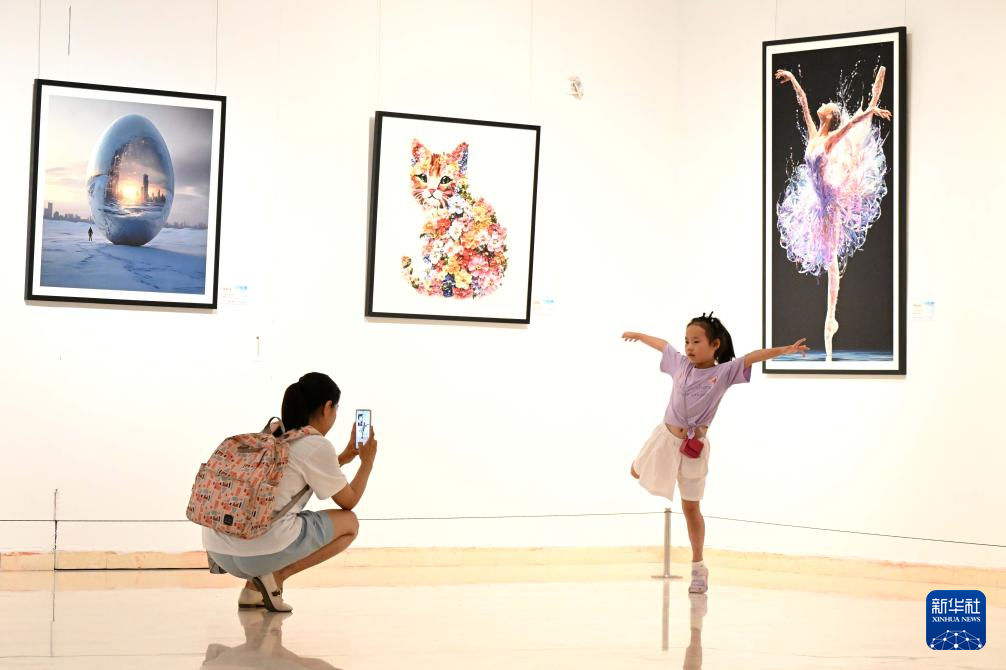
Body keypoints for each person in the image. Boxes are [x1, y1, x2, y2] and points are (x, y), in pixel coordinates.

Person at [622, 314, 808, 594]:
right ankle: (644, 465)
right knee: (635, 471)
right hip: (665, 439)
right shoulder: (680, 364)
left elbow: (751, 357)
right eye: (687, 341)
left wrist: (784, 350)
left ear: (715, 345)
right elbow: (662, 345)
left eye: (696, 341)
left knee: (690, 508)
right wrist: (639, 335)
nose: (689, 347)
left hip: (693, 448)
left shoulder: (724, 373)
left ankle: (698, 567)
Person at [202, 372, 377, 612]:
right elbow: (349, 500)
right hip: (258, 555)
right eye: (336, 409)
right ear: (327, 407)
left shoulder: (273, 432)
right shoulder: (316, 444)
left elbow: (300, 472)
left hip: (218, 550)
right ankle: (276, 578)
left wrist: (345, 457)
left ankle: (253, 590)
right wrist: (367, 462)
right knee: (350, 523)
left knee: (279, 519)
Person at [774, 66, 891, 361]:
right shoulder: (815, 134)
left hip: (830, 201)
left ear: (828, 116)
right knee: (828, 259)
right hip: (816, 202)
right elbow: (802, 101)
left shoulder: (829, 140)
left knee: (832, 261)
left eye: (826, 106)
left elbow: (850, 125)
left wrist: (871, 110)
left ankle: (830, 320)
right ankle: (830, 320)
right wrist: (792, 78)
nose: (822, 104)